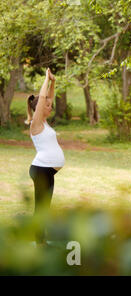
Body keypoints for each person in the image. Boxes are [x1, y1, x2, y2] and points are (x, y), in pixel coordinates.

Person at [26, 68, 65, 243]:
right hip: (40, 169)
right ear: (38, 109)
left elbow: (47, 97)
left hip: (47, 171)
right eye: (47, 106)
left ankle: (41, 238)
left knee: (45, 207)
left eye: (50, 106)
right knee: (40, 207)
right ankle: (38, 239)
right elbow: (43, 99)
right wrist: (46, 79)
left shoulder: (44, 123)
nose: (50, 108)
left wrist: (53, 83)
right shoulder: (35, 123)